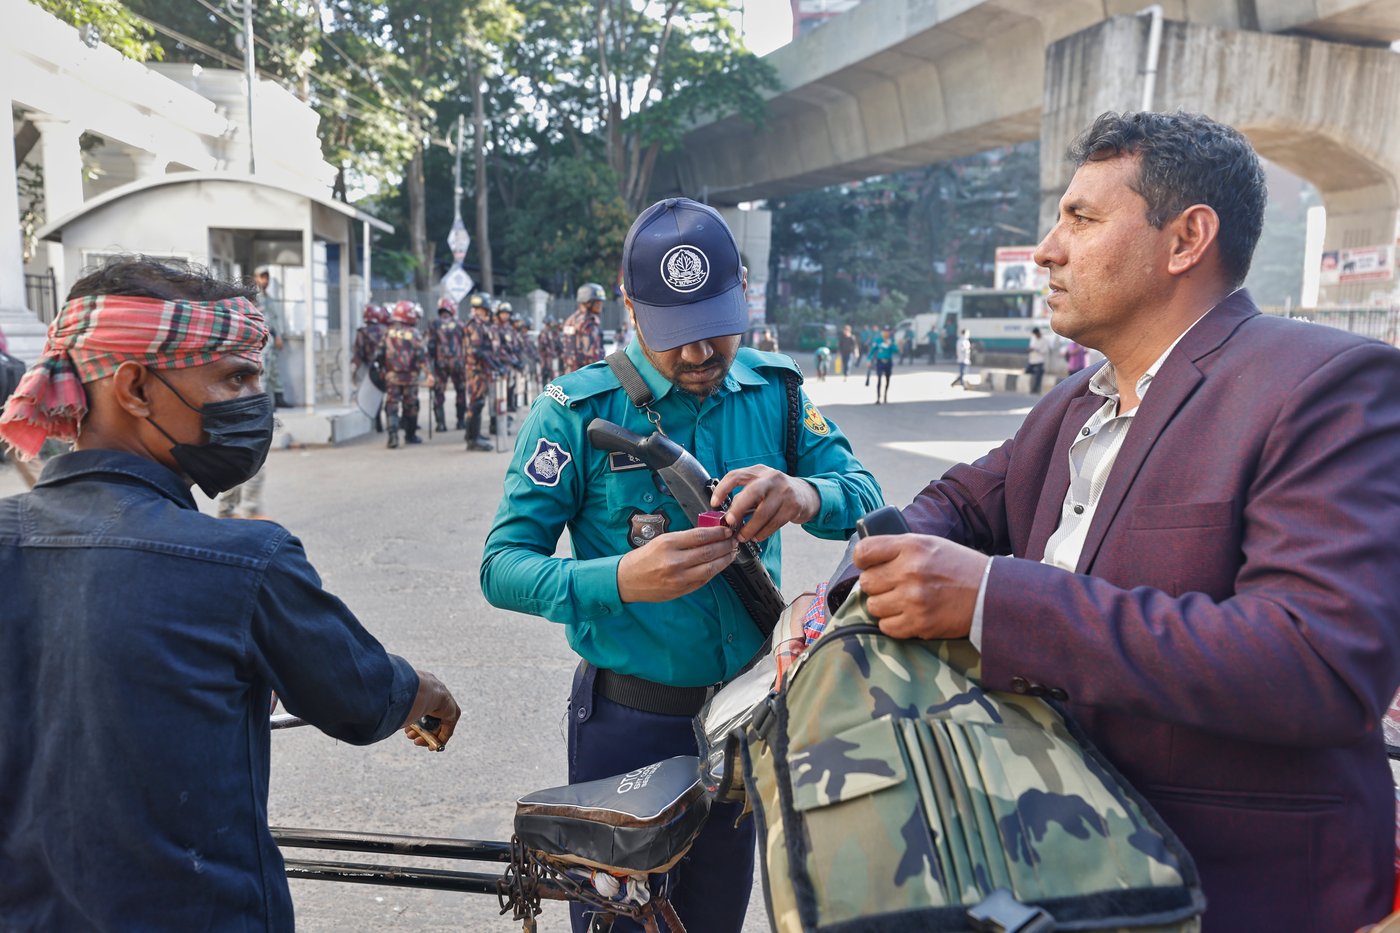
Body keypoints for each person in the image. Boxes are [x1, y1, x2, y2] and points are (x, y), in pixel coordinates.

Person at [829, 111, 1400, 931]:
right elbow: (956, 503)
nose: (1046, 248)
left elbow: (1318, 661)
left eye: (1082, 219)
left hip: (1231, 889)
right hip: (1060, 865)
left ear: (1186, 239)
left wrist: (996, 599)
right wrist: (871, 567)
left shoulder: (1321, 386)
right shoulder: (1073, 402)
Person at [0, 256, 460, 930]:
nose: (256, 403)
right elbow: (360, 698)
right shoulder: (241, 561)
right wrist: (426, 692)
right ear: (133, 387)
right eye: (235, 378)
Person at [482, 197, 883, 933]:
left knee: (714, 918)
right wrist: (620, 580)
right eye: (676, 337)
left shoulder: (779, 396)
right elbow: (502, 566)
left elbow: (864, 495)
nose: (700, 355)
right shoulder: (574, 411)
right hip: (629, 727)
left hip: (744, 725)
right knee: (620, 922)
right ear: (630, 309)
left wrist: (801, 492)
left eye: (715, 330)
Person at [377, 300, 433, 448]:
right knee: (411, 406)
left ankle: (392, 436)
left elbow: (379, 354)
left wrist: (381, 370)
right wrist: (429, 374)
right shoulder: (414, 334)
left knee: (392, 405)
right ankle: (410, 435)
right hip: (410, 378)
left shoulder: (388, 332)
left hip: (392, 377)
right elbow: (422, 356)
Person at [428, 296, 470, 432]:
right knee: (461, 391)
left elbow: (431, 346)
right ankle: (461, 421)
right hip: (458, 363)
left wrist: (432, 362)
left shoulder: (434, 324)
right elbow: (466, 344)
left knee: (439, 392)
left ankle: (440, 424)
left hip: (440, 364)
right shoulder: (460, 324)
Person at [462, 293, 497, 451]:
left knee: (478, 402)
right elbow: (477, 350)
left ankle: (474, 434)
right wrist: (492, 363)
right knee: (476, 403)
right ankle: (472, 439)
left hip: (480, 369)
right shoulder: (475, 324)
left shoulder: (481, 324)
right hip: (476, 369)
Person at [352, 303, 390, 432]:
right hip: (388, 368)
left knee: (374, 395)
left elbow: (358, 354)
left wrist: (353, 372)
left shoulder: (362, 333)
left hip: (371, 369)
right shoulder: (387, 330)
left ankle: (377, 423)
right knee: (391, 397)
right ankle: (392, 424)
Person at [253, 268, 288, 408]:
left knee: (274, 370)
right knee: (264, 371)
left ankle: (279, 399)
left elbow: (274, 319)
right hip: (261, 339)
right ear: (256, 278)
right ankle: (263, 404)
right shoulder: (254, 297)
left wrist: (278, 336)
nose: (265, 281)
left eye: (266, 277)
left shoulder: (269, 298)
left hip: (271, 338)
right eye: (262, 277)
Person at [562, 282, 606, 374]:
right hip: (586, 375)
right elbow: (593, 354)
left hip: (570, 372)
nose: (600, 305)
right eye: (597, 302)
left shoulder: (571, 320)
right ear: (588, 302)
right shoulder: (589, 322)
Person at [867, 324, 897, 404]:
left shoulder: (891, 340)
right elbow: (872, 351)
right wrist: (868, 360)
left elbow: (896, 350)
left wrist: (891, 344)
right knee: (879, 379)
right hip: (880, 361)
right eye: (885, 331)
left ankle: (885, 395)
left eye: (888, 331)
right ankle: (878, 398)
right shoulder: (878, 340)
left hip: (888, 362)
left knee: (887, 379)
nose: (886, 333)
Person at [1026, 325, 1050, 393]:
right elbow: (1031, 347)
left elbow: (1045, 351)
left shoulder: (1044, 340)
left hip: (1040, 360)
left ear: (1038, 333)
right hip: (1032, 360)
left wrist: (1036, 350)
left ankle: (1035, 389)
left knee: (1038, 376)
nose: (1036, 335)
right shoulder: (1033, 338)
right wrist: (1030, 350)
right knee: (1027, 371)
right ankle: (1039, 372)